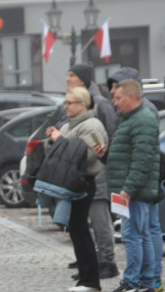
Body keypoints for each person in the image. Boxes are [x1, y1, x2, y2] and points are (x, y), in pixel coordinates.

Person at [46, 63, 119, 279]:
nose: (67, 79)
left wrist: (105, 162)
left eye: (72, 76)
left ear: (84, 80)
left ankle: (107, 261)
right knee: (82, 223)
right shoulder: (71, 108)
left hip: (96, 174)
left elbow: (106, 139)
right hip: (76, 176)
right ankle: (89, 259)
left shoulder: (101, 105)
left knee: (100, 220)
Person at [43, 87, 109, 292]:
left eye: (70, 103)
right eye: (65, 102)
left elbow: (86, 156)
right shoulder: (71, 124)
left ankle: (90, 280)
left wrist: (59, 140)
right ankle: (85, 276)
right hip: (70, 183)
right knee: (76, 230)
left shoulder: (92, 125)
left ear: (83, 105)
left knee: (81, 230)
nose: (66, 106)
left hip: (84, 182)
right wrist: (52, 140)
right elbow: (54, 153)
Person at [103, 80, 161, 292]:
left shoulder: (141, 120)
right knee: (141, 234)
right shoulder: (133, 119)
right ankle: (146, 280)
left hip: (133, 191)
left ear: (131, 97)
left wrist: (128, 188)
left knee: (132, 235)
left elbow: (142, 159)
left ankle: (131, 282)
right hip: (132, 189)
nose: (114, 103)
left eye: (118, 98)